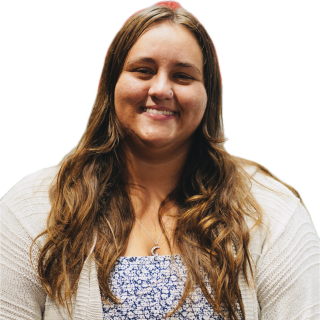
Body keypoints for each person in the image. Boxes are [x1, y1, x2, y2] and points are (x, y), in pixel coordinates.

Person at [0, 1, 319, 319]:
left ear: (209, 97)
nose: (161, 89)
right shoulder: (32, 211)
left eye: (182, 76)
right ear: (110, 85)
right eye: (143, 71)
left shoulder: (271, 212)